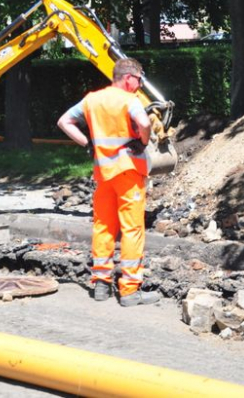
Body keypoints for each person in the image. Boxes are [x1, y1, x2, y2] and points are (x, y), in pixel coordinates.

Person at [57, 58, 160, 307]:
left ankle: (102, 284)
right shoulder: (129, 100)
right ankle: (129, 291)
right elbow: (144, 123)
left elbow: (64, 122)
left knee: (103, 226)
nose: (139, 84)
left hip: (103, 174)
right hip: (128, 172)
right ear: (128, 78)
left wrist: (88, 143)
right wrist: (143, 142)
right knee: (132, 229)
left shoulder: (91, 99)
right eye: (138, 78)